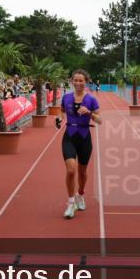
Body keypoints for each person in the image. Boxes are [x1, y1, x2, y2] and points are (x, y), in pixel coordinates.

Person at [55, 69, 101, 219]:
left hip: (84, 137)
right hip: (69, 136)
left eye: (81, 80)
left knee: (82, 172)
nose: (78, 83)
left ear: (85, 82)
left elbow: (100, 120)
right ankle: (70, 202)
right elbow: (61, 111)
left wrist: (88, 112)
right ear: (72, 81)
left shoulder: (91, 100)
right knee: (71, 170)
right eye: (76, 80)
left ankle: (80, 194)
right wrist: (60, 118)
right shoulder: (66, 98)